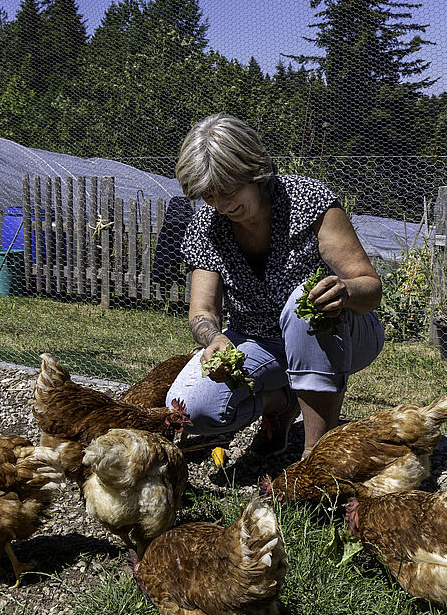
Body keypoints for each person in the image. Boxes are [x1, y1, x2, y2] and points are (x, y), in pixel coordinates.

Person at [164, 114, 384, 459]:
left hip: (342, 334)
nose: (222, 205)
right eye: (209, 195)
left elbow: (371, 288)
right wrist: (214, 338)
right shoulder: (206, 225)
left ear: (253, 171)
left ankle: (317, 455)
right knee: (194, 409)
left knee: (302, 303)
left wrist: (344, 290)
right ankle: (282, 403)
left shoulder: (309, 201)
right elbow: (203, 310)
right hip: (259, 340)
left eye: (228, 191)